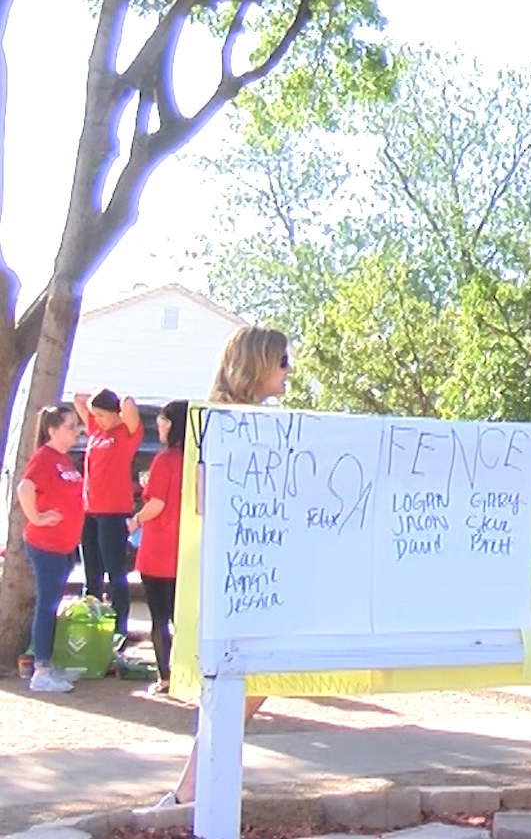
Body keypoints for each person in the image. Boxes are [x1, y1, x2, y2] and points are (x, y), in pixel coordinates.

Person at [162, 325, 291, 807]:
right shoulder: (221, 420)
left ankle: (200, 787)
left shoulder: (262, 421)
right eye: (282, 361)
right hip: (234, 574)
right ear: (257, 362)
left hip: (262, 568)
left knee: (253, 687)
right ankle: (194, 791)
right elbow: (204, 498)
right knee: (238, 686)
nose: (288, 372)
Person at [16, 404, 86, 693]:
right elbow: (24, 488)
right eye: (70, 426)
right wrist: (37, 517)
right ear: (52, 430)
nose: (76, 431)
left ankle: (45, 662)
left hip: (63, 546)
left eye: (76, 426)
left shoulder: (62, 461)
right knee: (47, 606)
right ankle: (40, 671)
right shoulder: (44, 458)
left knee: (52, 605)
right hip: (45, 546)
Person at [73, 387, 142, 645]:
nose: (97, 419)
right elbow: (77, 399)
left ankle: (119, 626)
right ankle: (90, 619)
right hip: (90, 509)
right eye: (96, 415)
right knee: (91, 570)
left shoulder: (124, 433)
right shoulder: (96, 431)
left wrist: (116, 400)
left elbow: (130, 404)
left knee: (115, 571)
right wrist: (96, 401)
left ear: (115, 414)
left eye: (102, 415)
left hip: (113, 511)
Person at [131, 399, 190, 695]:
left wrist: (136, 519)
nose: (159, 424)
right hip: (187, 548)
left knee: (159, 618)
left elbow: (156, 503)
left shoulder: (165, 460)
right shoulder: (195, 459)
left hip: (159, 548)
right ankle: (189, 671)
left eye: (164, 420)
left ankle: (165, 676)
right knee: (184, 616)